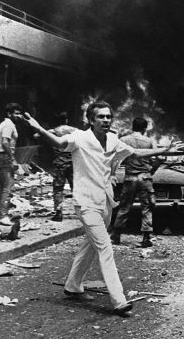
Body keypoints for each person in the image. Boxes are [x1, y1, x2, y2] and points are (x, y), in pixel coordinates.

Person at [22, 101, 175, 317]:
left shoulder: (114, 139)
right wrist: (38, 128)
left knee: (91, 245)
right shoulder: (79, 138)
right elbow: (57, 142)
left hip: (106, 202)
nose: (105, 120)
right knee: (105, 247)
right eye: (100, 117)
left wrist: (165, 150)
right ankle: (119, 300)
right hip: (85, 203)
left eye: (107, 116)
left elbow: (135, 154)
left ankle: (73, 286)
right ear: (91, 120)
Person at [110, 117, 161, 248]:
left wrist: (112, 174)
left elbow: (115, 159)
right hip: (145, 177)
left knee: (124, 207)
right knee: (147, 207)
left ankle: (116, 235)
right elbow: (159, 158)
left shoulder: (123, 140)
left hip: (130, 177)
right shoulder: (149, 141)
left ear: (133, 126)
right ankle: (146, 238)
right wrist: (151, 170)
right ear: (144, 128)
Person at [0, 103, 22, 226]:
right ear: (9, 114)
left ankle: (1, 214)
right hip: (4, 156)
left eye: (19, 113)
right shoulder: (8, 125)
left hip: (0, 156)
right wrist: (12, 158)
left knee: (2, 187)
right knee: (8, 187)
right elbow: (5, 142)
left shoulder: (5, 124)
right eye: (15, 113)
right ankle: (3, 216)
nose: (18, 116)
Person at [48, 111, 78, 222]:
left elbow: (37, 135)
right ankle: (81, 211)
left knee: (58, 189)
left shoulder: (53, 131)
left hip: (59, 163)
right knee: (75, 188)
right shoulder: (74, 130)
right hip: (72, 162)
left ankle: (58, 212)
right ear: (66, 120)